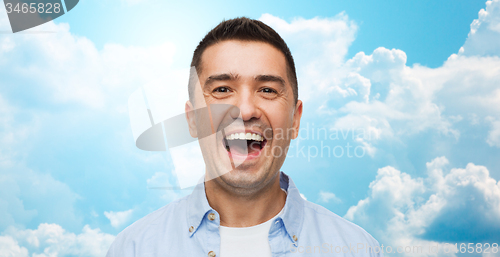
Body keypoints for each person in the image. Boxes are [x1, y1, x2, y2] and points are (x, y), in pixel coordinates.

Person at [106, 17, 382, 257]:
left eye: (268, 90)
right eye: (223, 90)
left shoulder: (357, 249)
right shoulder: (132, 249)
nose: (246, 110)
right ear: (192, 121)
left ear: (295, 120)